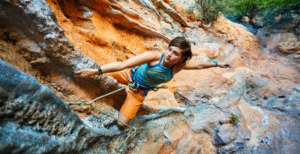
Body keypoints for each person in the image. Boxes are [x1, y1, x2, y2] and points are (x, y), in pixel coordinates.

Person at [74, 37, 230, 127]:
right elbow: (122, 65)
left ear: (182, 58)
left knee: (122, 124)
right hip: (128, 75)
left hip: (139, 91)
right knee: (100, 73)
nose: (169, 54)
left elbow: (201, 64)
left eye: (175, 53)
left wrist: (218, 64)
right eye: (169, 49)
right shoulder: (155, 56)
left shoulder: (179, 66)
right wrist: (95, 71)